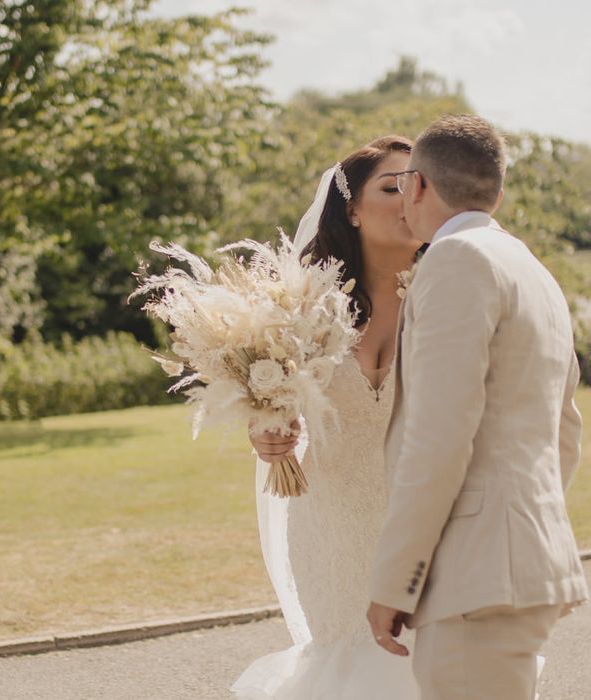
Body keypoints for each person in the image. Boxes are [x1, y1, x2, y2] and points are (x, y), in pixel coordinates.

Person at [366, 114, 589, 700]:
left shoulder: (455, 259)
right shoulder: (532, 270)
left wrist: (396, 579)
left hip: (475, 576)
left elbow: (438, 436)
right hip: (523, 568)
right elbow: (565, 430)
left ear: (417, 185)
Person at [230, 136, 424, 698]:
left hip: (430, 527)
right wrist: (267, 433)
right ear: (353, 210)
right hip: (333, 529)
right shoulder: (303, 309)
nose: (408, 196)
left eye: (419, 183)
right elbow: (272, 402)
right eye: (391, 185)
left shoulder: (448, 294)